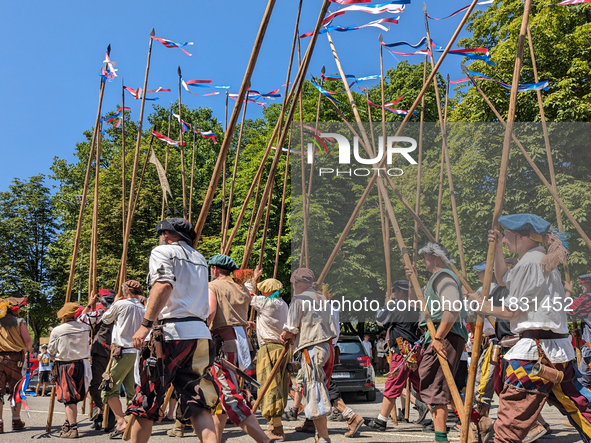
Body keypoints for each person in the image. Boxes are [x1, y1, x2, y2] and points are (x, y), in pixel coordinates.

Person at [469, 214, 591, 443]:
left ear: (522, 236)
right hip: (551, 351)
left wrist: (484, 306)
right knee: (580, 407)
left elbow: (512, 311)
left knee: (508, 425)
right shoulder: (534, 259)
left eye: (506, 236)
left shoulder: (530, 263)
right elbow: (503, 278)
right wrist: (496, 250)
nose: (504, 240)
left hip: (534, 354)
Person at [127, 218, 219, 443]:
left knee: (146, 401)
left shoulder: (162, 251)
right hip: (198, 334)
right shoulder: (200, 258)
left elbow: (163, 284)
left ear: (168, 235)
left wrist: (145, 325)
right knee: (199, 404)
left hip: (170, 333)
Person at [405, 242, 469, 443]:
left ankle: (441, 439)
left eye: (425, 257)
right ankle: (478, 421)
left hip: (445, 335)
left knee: (435, 389)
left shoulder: (444, 277)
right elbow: (415, 304)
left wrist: (439, 337)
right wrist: (411, 280)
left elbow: (452, 308)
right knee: (441, 388)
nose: (423, 261)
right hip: (438, 335)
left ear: (436, 257)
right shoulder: (434, 280)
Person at [207, 254, 270, 443]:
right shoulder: (240, 287)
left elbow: (210, 313)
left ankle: (265, 440)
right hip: (241, 343)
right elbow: (247, 291)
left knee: (229, 394)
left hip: (223, 344)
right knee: (222, 393)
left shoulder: (213, 286)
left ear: (215, 269)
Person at [280, 268, 337, 443]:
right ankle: (320, 435)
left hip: (311, 347)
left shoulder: (298, 300)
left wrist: (285, 335)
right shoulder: (322, 299)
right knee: (316, 388)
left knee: (315, 390)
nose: (293, 286)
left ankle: (324, 437)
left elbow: (291, 327)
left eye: (294, 283)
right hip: (326, 346)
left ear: (300, 283)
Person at [367, 280, 427, 431]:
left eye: (395, 292)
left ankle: (381, 420)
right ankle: (437, 417)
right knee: (421, 387)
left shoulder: (397, 307)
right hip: (415, 351)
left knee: (392, 385)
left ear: (400, 292)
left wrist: (387, 305)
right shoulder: (417, 307)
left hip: (403, 352)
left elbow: (380, 320)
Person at [100, 280, 146, 438]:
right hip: (136, 353)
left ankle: (121, 422)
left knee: (108, 388)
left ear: (126, 291)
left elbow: (106, 319)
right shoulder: (143, 307)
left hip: (123, 351)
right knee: (131, 390)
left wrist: (114, 304)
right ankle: (131, 422)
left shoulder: (121, 305)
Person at [251, 276, 290, 441]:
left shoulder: (263, 302)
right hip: (282, 348)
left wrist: (252, 278)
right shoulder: (283, 304)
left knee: (269, 387)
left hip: (269, 349)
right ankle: (274, 424)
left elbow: (247, 292)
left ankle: (277, 427)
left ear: (266, 291)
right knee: (279, 385)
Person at [48, 302, 91, 438]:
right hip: (82, 365)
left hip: (66, 366)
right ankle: (68, 421)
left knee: (69, 398)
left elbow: (51, 351)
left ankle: (73, 428)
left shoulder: (57, 330)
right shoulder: (85, 327)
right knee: (75, 396)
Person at [79, 288, 116, 431]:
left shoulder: (101, 313)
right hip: (111, 351)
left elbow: (81, 320)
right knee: (102, 385)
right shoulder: (121, 311)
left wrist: (89, 305)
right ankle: (101, 412)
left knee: (97, 385)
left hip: (104, 351)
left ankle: (106, 410)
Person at [0, 297, 33, 434]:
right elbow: (27, 340)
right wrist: (30, 349)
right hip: (15, 359)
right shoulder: (20, 321)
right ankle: (16, 420)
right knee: (16, 390)